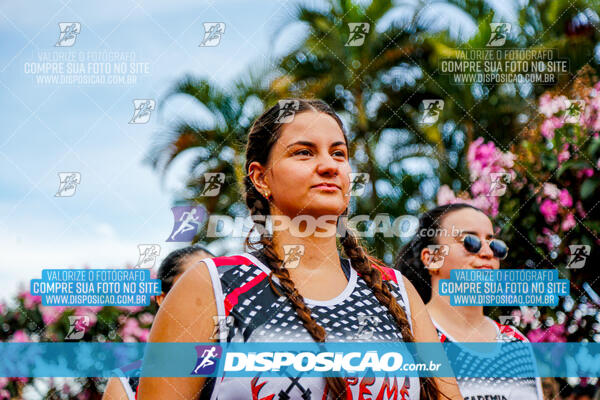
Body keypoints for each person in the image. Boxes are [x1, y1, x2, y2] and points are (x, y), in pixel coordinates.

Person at [138, 99, 462, 399]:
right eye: (304, 152)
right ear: (261, 178)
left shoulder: (396, 292)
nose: (328, 166)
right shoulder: (213, 287)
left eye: (339, 153)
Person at [396, 203, 544, 399]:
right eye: (470, 242)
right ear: (432, 258)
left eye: (494, 245)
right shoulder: (404, 337)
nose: (488, 253)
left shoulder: (517, 345)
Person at [102, 245, 214, 400]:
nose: (209, 295)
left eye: (217, 284)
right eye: (193, 283)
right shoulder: (127, 383)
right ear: (162, 298)